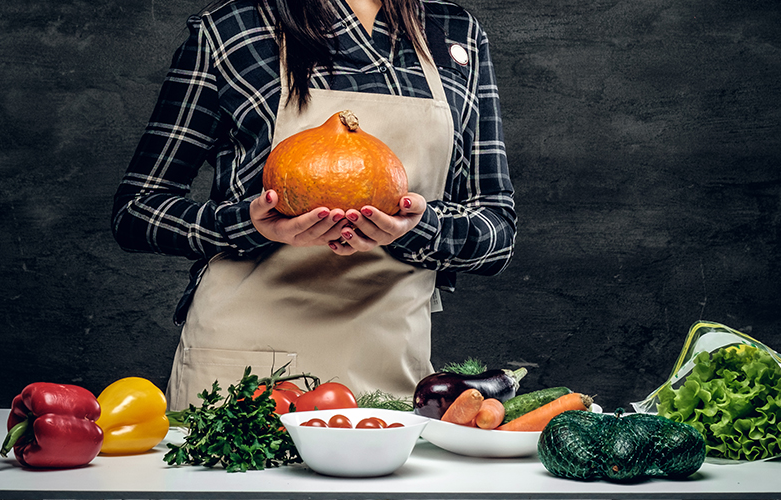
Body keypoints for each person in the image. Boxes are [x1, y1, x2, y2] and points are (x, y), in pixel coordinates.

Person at [112, 0, 515, 410]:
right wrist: (247, 225)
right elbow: (137, 209)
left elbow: (497, 232)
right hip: (244, 374)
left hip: (391, 378)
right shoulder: (232, 28)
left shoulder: (454, 31)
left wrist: (419, 227)